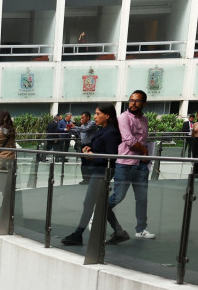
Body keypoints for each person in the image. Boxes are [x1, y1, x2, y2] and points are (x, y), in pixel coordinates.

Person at [62, 103, 130, 246]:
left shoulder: (111, 132)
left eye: (98, 114)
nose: (95, 116)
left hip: (103, 171)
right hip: (99, 170)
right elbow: (101, 150)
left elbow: (111, 156)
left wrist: (93, 155)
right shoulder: (104, 130)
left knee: (89, 203)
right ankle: (119, 231)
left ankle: (78, 234)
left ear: (107, 115)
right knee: (101, 204)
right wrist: (90, 149)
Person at [105, 90, 154, 239]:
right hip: (124, 163)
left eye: (137, 101)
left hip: (140, 165)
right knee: (118, 196)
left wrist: (145, 156)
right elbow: (128, 139)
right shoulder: (123, 118)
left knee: (142, 199)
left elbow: (143, 139)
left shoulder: (144, 120)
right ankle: (98, 212)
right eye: (131, 100)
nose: (133, 103)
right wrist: (145, 151)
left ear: (143, 103)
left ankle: (141, 229)